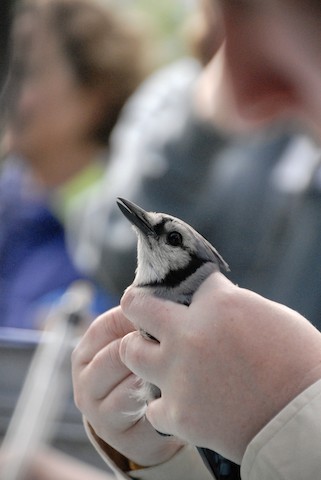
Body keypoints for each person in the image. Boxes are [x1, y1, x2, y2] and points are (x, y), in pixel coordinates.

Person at [71, 1, 321, 479]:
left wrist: (296, 409)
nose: (244, 88)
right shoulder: (173, 100)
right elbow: (108, 251)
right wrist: (166, 460)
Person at [0, 0, 149, 328]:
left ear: (93, 93)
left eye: (28, 70)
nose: (9, 91)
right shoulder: (12, 206)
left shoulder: (123, 238)